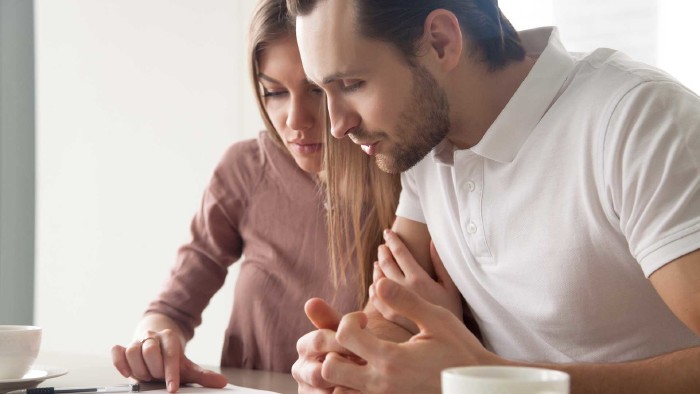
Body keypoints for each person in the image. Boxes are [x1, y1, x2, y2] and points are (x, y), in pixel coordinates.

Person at [287, 0, 700, 392]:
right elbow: (398, 315)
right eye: (324, 91)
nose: (337, 125)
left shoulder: (638, 121)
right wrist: (348, 362)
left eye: (351, 84)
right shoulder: (425, 142)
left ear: (441, 42)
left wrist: (487, 381)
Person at [110, 0, 400, 392]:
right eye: (274, 92)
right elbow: (170, 310)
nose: (295, 121)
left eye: (314, 89)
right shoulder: (246, 169)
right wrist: (154, 341)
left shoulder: (404, 177)